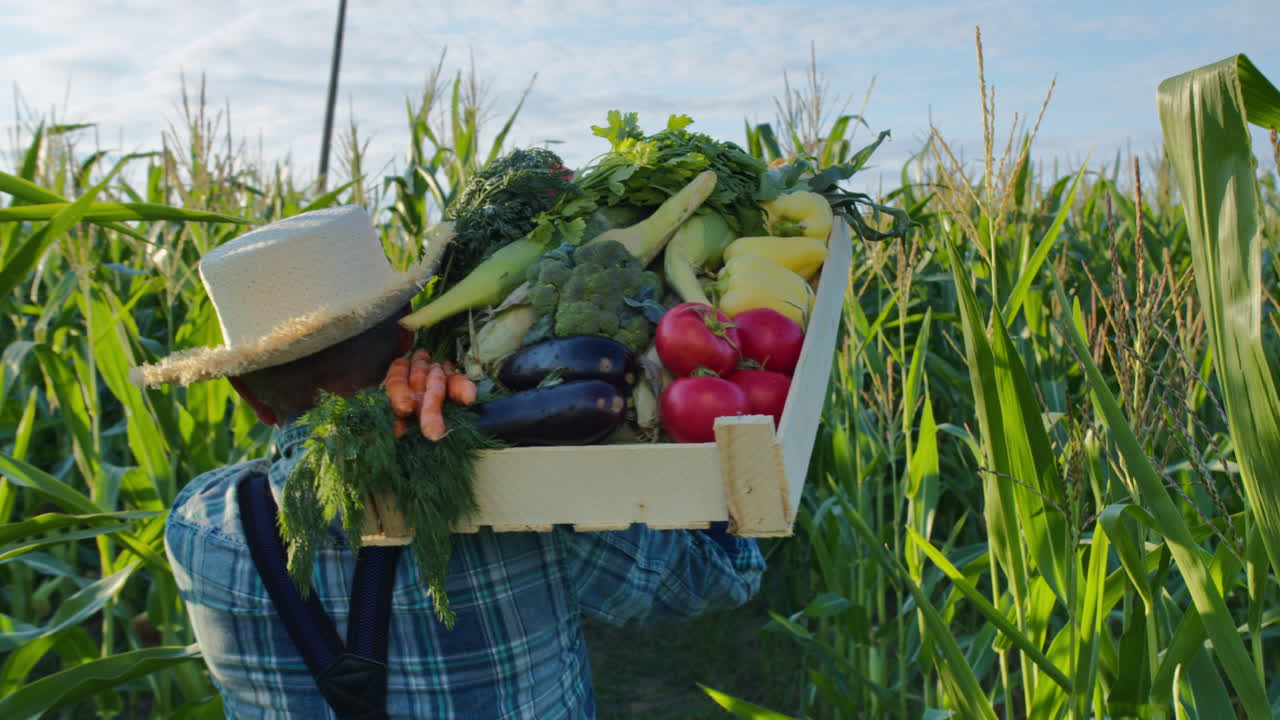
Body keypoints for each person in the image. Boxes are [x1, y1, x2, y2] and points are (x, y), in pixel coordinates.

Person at [133, 205, 766, 719]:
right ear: (410, 339)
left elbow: (304, 471)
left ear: (249, 398)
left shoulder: (197, 528)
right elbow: (718, 576)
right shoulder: (525, 501)